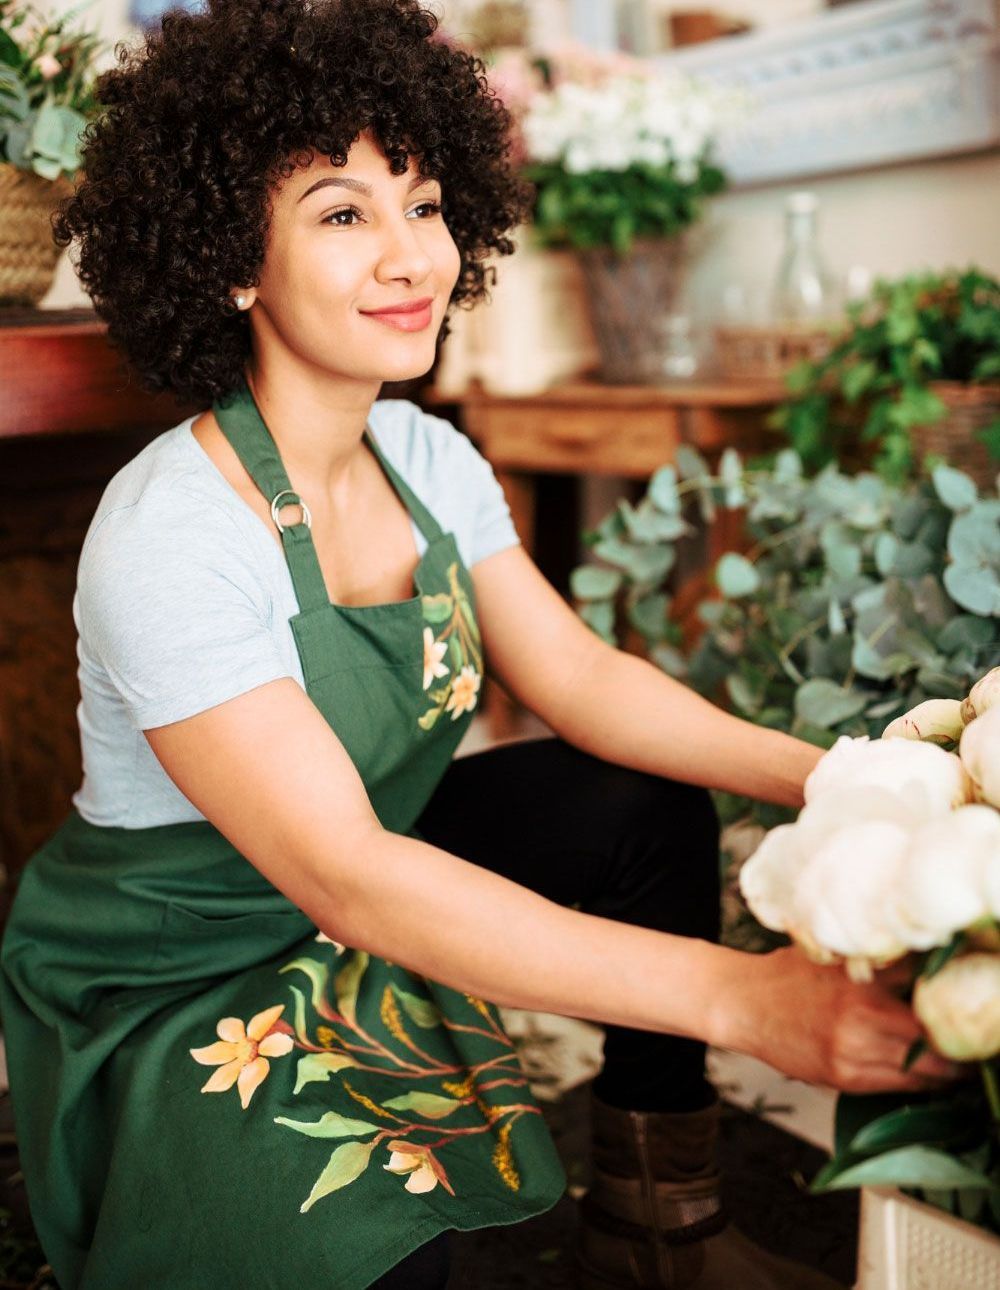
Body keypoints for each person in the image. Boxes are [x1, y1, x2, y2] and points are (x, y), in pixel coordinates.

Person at [0, 2, 960, 1288]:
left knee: (637, 798)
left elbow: (577, 679)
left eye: (426, 203)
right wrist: (744, 1001)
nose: (411, 258)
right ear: (234, 256)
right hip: (184, 959)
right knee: (389, 1253)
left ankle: (656, 1220)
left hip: (361, 869)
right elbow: (344, 878)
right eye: (342, 214)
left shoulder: (424, 456)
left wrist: (840, 772)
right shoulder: (171, 532)